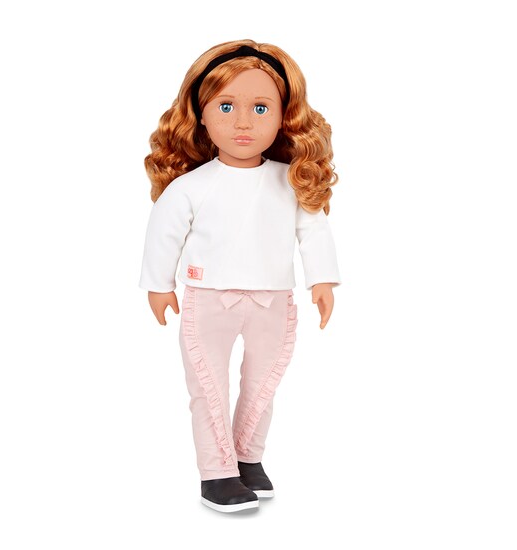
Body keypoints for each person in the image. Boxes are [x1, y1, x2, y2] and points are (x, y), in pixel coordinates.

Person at [139, 39, 342, 513]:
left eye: (260, 108)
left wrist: (322, 281)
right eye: (226, 107)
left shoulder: (289, 180)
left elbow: (312, 229)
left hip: (273, 298)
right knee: (208, 386)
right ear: (201, 116)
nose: (243, 122)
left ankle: (247, 458)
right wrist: (159, 285)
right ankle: (217, 472)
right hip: (208, 297)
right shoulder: (190, 186)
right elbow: (163, 232)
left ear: (284, 117)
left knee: (263, 382)